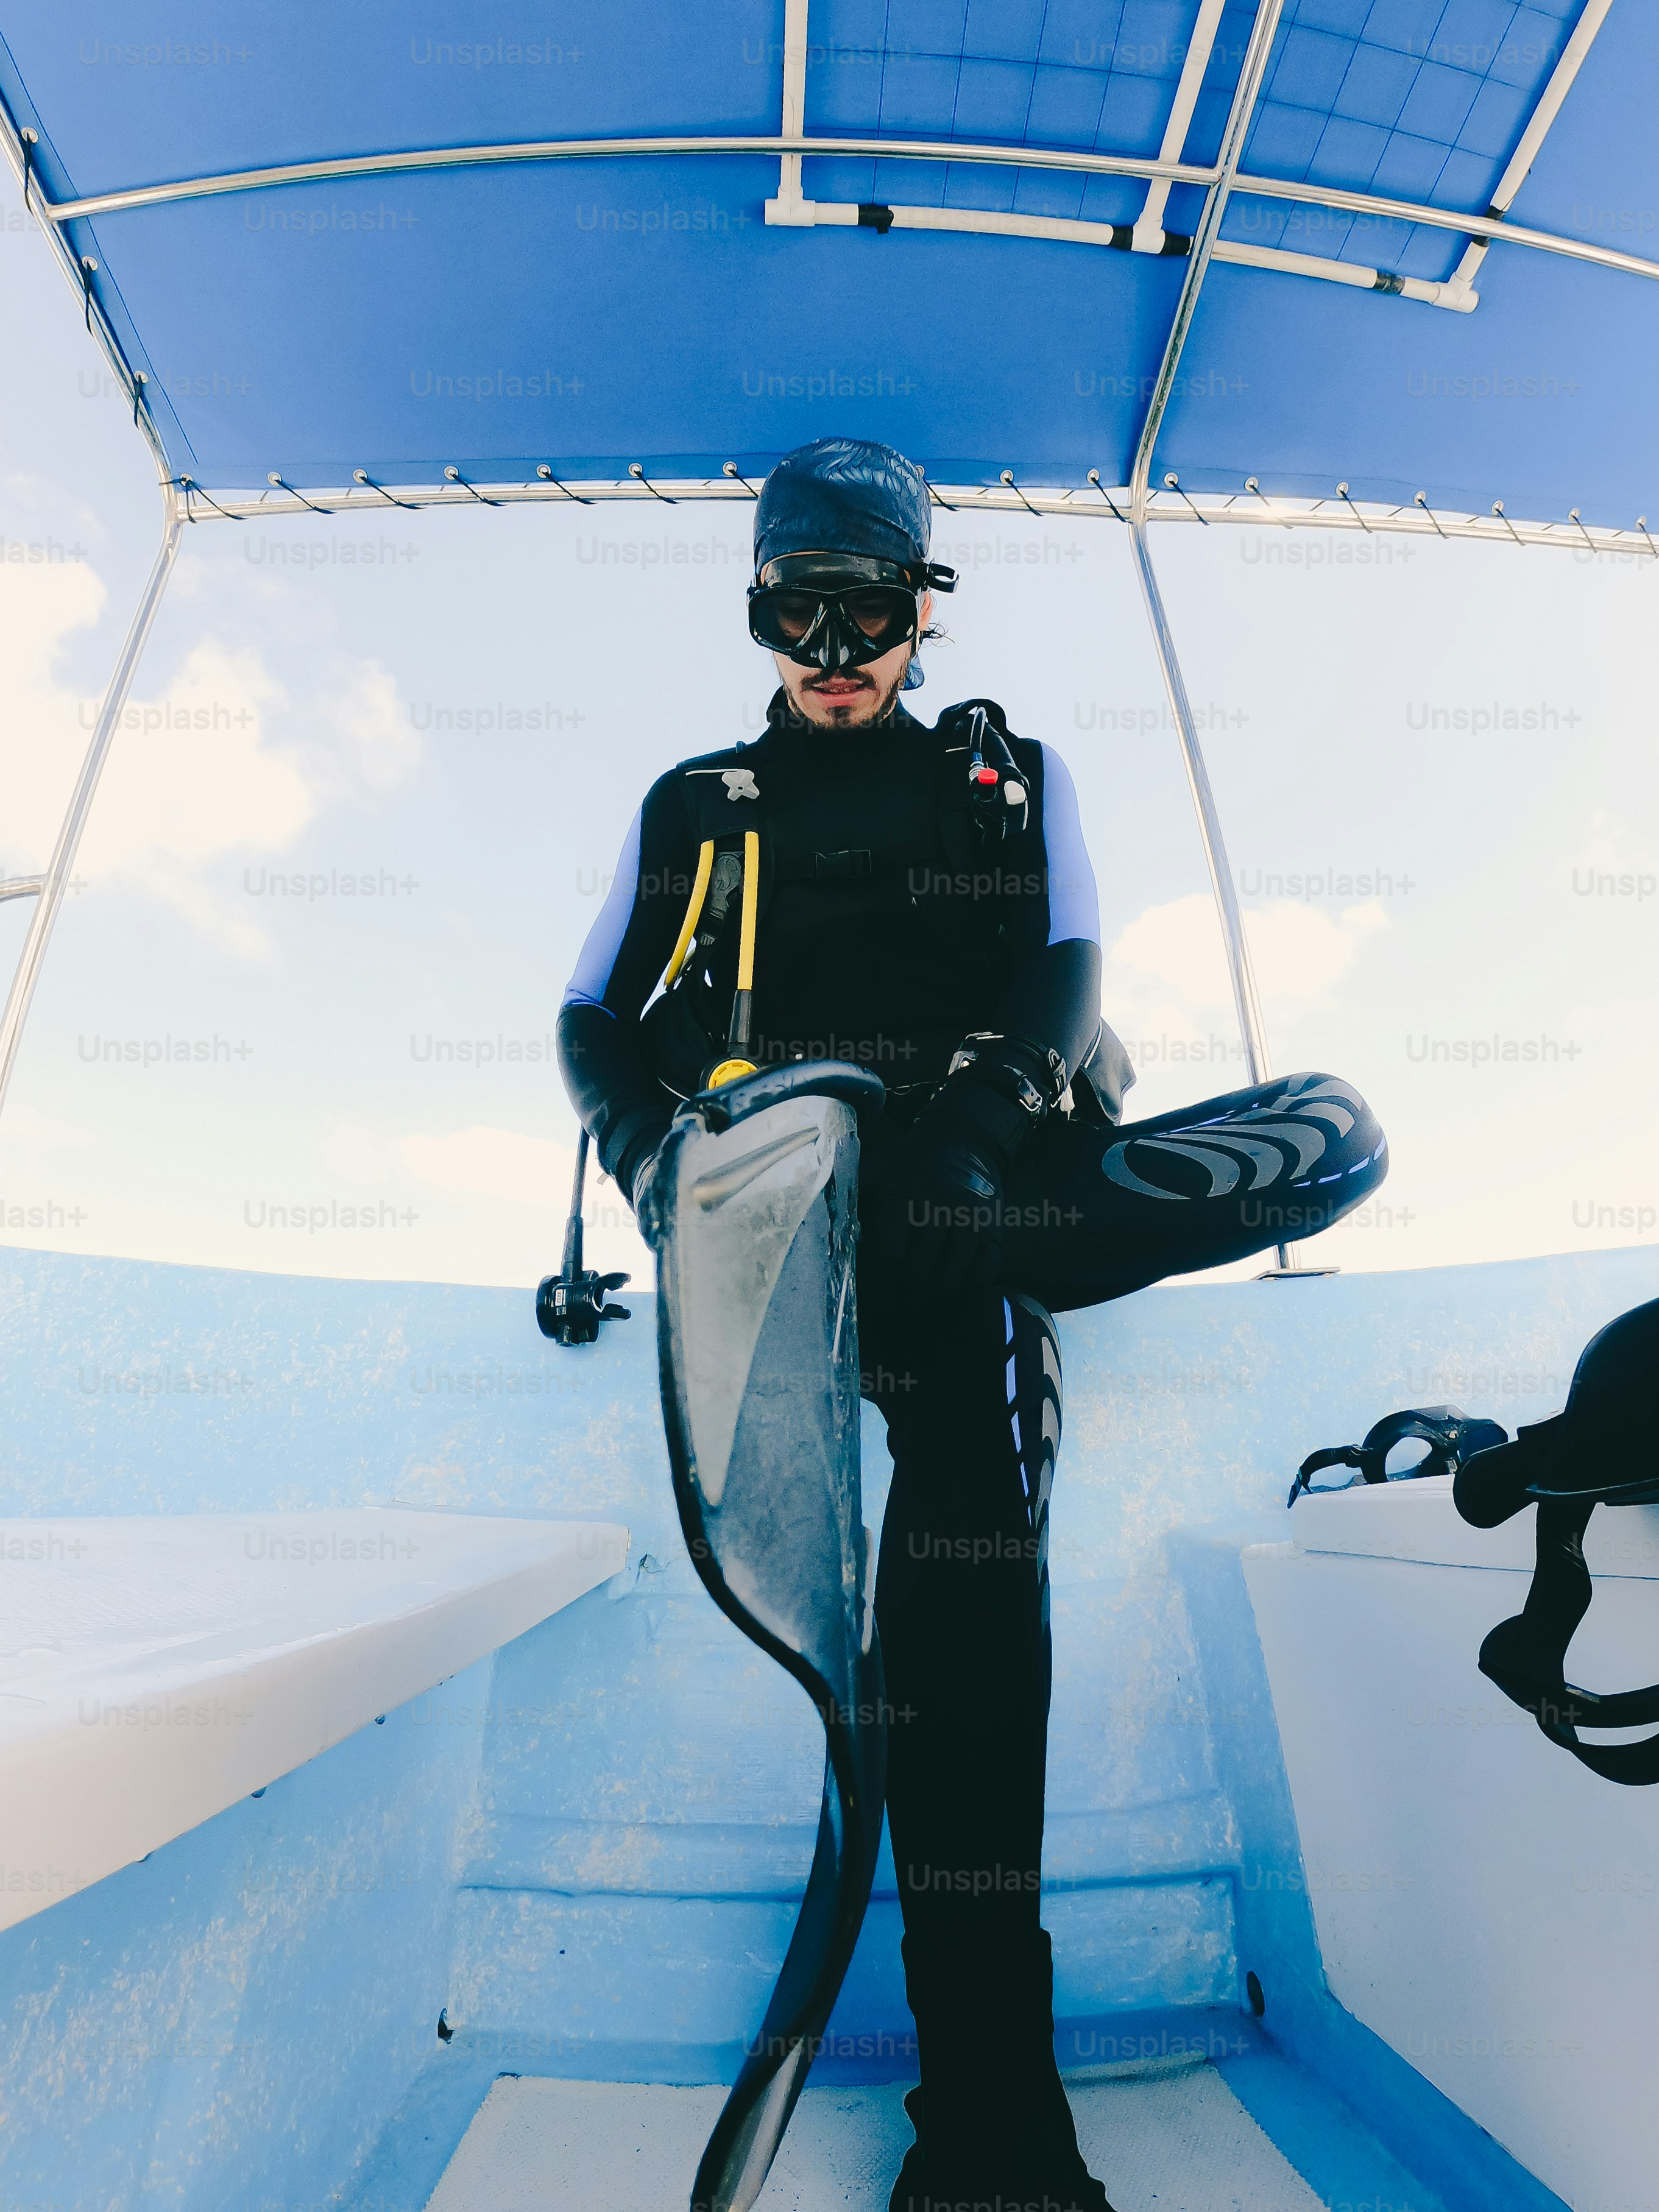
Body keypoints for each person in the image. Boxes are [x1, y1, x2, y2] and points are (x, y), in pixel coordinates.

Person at [557, 437, 1387, 2212]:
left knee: (1333, 1130)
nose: (833, 642)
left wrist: (978, 1147)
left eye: (867, 605)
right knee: (928, 1541)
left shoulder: (1007, 779)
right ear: (759, 614)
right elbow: (589, 1014)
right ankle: (992, 2115)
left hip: (977, 1214)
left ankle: (993, 2128)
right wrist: (652, 1168)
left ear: (923, 612)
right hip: (785, 1227)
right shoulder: (693, 801)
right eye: (797, 605)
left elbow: (1069, 962)